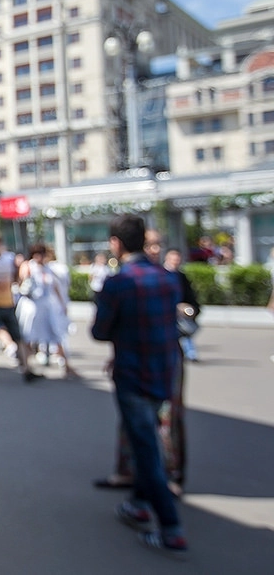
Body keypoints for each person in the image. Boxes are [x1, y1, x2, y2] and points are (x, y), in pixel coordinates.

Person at [91, 215, 188, 556]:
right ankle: (138, 503)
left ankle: (171, 528)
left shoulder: (118, 283)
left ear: (116, 243)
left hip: (132, 374)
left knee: (145, 448)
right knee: (145, 439)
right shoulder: (168, 278)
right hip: (163, 372)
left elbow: (100, 331)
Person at [0, 233, 41, 382]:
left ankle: (26, 369)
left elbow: (16, 279)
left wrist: (18, 269)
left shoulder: (9, 259)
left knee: (17, 336)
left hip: (8, 303)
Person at [16, 243, 79, 379]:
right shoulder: (29, 266)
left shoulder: (47, 268)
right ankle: (26, 366)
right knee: (28, 336)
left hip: (46, 306)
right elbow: (21, 282)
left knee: (56, 334)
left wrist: (62, 303)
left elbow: (54, 286)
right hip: (31, 306)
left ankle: (66, 366)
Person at [164, 248, 201, 362]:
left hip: (181, 311)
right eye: (173, 259)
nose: (175, 262)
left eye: (177, 260)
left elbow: (189, 295)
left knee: (186, 331)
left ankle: (190, 353)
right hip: (167, 310)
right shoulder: (161, 275)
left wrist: (191, 308)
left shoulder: (181, 276)